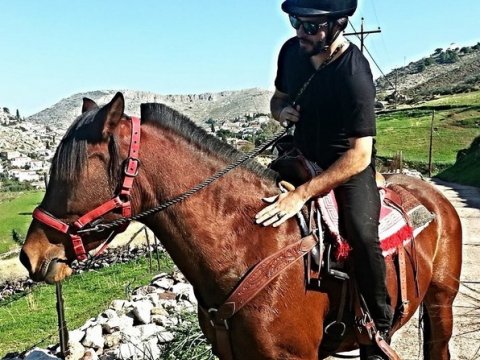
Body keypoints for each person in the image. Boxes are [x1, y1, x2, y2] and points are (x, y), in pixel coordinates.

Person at [255, 0, 393, 358]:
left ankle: (378, 327)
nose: (300, 32)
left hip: (344, 164)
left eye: (311, 26)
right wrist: (280, 111)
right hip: (298, 154)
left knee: (362, 236)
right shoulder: (291, 52)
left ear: (337, 25)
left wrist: (301, 195)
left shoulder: (354, 73)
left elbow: (360, 154)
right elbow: (278, 98)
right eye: (295, 21)